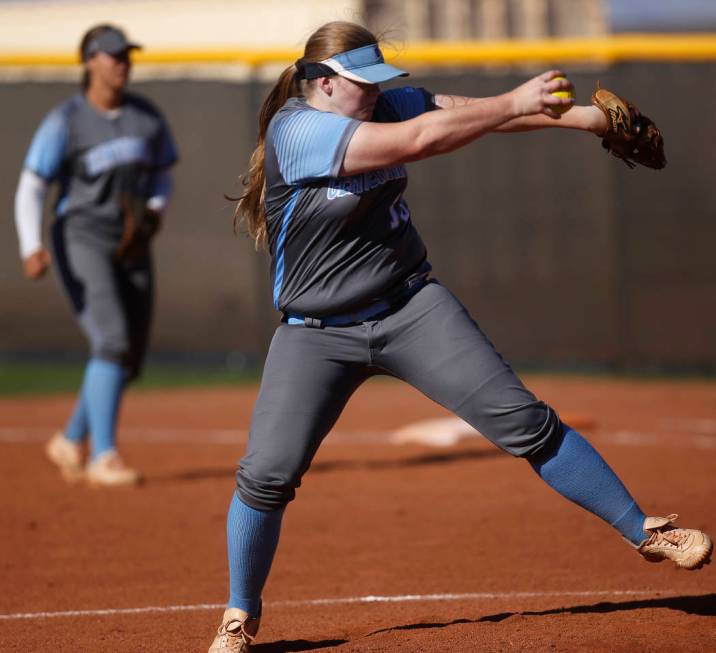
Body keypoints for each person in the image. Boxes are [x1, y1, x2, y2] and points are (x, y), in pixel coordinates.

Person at [207, 21, 712, 652]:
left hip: (410, 308)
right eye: (361, 84)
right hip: (316, 334)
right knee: (267, 476)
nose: (375, 94)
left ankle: (645, 529)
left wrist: (587, 119)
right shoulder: (298, 131)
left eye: (378, 82)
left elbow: (470, 116)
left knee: (524, 421)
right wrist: (514, 100)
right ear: (322, 83)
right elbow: (422, 138)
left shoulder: (382, 104)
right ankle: (238, 617)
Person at [13, 24, 178, 486]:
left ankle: (69, 439)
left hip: (132, 241)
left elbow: (163, 173)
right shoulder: (65, 121)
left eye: (126, 55)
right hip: (81, 237)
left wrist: (153, 208)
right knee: (110, 339)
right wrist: (32, 245)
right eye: (112, 56)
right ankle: (102, 456)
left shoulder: (146, 116)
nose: (122, 62)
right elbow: (32, 186)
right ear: (89, 61)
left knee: (127, 357)